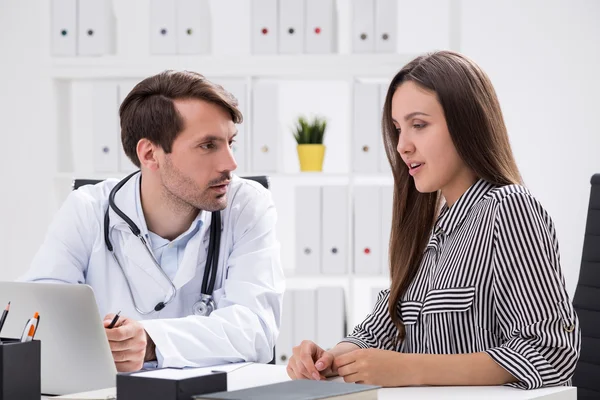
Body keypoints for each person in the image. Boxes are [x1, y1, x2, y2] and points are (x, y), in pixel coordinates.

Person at [286, 51, 580, 389]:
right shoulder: (429, 228)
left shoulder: (509, 210)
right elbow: (385, 326)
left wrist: (411, 369)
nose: (402, 146)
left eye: (419, 125)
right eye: (398, 129)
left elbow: (549, 351)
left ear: (466, 122)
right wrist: (330, 359)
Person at [22, 70, 284, 372]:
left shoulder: (247, 205)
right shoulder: (88, 209)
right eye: (208, 146)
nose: (231, 164)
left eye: (230, 143)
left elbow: (256, 330)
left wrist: (151, 342)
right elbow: (38, 315)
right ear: (150, 154)